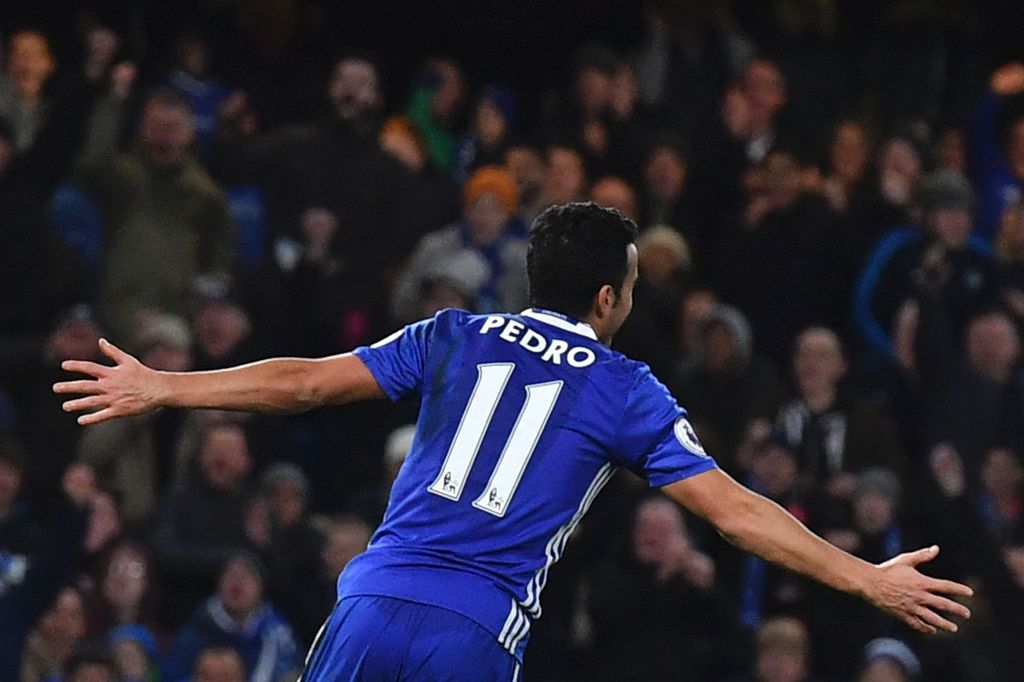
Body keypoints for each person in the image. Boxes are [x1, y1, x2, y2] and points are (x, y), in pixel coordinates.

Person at [55, 202, 972, 681]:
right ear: (609, 299)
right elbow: (732, 514)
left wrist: (163, 384)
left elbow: (300, 383)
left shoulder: (452, 334)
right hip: (475, 629)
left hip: (371, 600)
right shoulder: (626, 389)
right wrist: (865, 576)